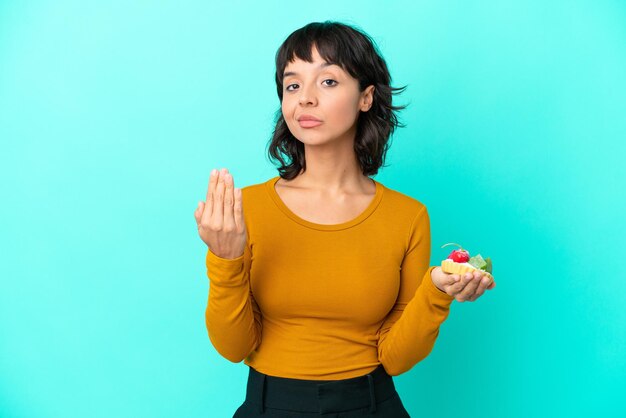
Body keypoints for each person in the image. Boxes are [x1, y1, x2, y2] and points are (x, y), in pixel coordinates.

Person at [194, 21, 496, 417]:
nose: (305, 100)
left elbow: (396, 358)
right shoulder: (245, 209)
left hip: (371, 405)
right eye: (293, 85)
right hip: (270, 405)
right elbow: (233, 348)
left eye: (329, 82)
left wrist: (436, 291)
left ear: (366, 97)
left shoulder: (407, 216)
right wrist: (227, 259)